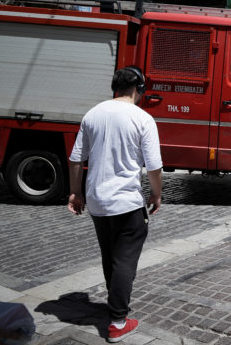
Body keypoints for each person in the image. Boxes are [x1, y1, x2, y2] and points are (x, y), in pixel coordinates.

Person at [68, 66, 163, 343]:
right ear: (139, 88)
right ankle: (118, 321)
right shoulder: (142, 118)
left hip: (97, 201)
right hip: (126, 201)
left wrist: (75, 192)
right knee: (124, 260)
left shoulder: (92, 114)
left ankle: (115, 306)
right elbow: (154, 167)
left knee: (110, 255)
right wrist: (156, 195)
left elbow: (76, 158)